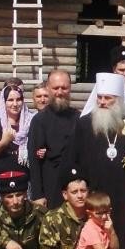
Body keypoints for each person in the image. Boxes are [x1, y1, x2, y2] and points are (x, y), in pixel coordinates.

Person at [73, 72, 125, 249]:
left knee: (121, 239)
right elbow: (74, 158)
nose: (102, 102)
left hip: (122, 194)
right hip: (95, 193)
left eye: (107, 98)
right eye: (99, 97)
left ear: (117, 100)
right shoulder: (84, 124)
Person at [27, 69, 79, 208]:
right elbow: (34, 159)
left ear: (70, 88)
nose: (60, 92)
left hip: (75, 187)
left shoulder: (78, 118)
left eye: (64, 88)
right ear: (48, 89)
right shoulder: (39, 120)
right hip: (50, 184)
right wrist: (38, 194)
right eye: (56, 88)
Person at [0, 83, 34, 176]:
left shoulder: (31, 123)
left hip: (26, 180)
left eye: (18, 100)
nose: (15, 104)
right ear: (4, 102)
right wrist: (3, 142)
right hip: (1, 181)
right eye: (10, 100)